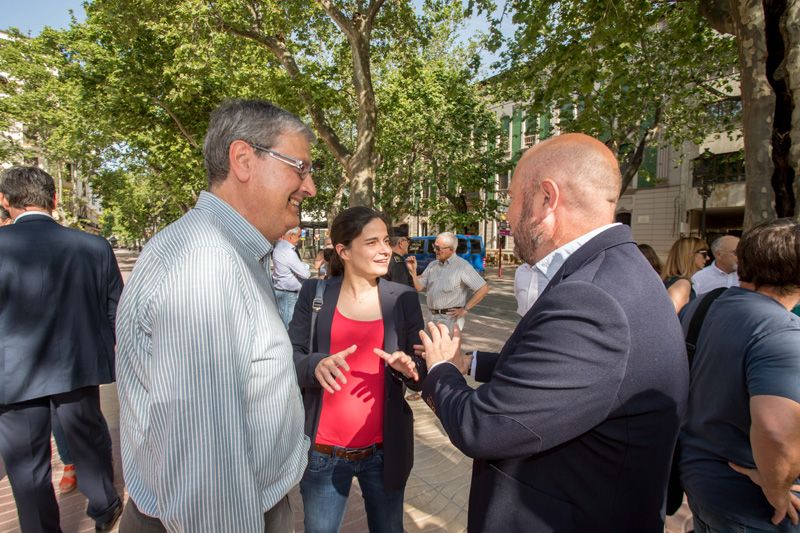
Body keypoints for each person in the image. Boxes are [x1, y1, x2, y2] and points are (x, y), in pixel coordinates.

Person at [416, 133, 689, 532]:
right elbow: (564, 378)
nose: (508, 217)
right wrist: (470, 361)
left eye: (510, 200)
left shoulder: (591, 298)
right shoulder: (617, 271)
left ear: (547, 198)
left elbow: (483, 426)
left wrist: (441, 371)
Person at [116, 99, 314, 532]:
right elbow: (207, 478)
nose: (310, 187)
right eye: (300, 168)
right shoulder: (205, 265)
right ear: (243, 159)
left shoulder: (229, 255)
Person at [0, 166, 123, 532]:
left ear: (5, 202)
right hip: (79, 367)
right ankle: (104, 506)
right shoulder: (93, 246)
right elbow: (116, 312)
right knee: (88, 439)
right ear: (54, 200)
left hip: (13, 375)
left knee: (27, 465)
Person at [288, 206, 426, 533]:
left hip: (384, 451)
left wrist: (411, 368)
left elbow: (422, 370)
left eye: (387, 241)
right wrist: (314, 364)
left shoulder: (403, 299)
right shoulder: (315, 293)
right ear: (343, 251)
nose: (385, 250)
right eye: (372, 242)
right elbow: (290, 355)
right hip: (322, 452)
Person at [679, 219, 800, 533]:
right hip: (752, 503)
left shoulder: (705, 305)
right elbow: (776, 431)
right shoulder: (779, 331)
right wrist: (777, 488)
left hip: (702, 480)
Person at [407, 231, 489, 332]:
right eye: (434, 246)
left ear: (451, 250)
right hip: (431, 317)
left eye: (438, 248)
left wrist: (465, 309)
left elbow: (483, 289)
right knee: (429, 347)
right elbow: (419, 287)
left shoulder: (462, 266)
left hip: (449, 320)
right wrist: (413, 271)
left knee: (445, 348)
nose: (434, 251)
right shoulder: (433, 265)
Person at [273, 226, 312, 327]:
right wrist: (305, 266)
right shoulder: (287, 251)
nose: (299, 239)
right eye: (298, 236)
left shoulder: (281, 247)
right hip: (288, 294)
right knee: (289, 325)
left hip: (284, 291)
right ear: (291, 236)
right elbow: (305, 274)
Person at [662, 236, 709, 313]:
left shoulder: (673, 280)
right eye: (704, 254)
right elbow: (670, 318)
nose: (707, 258)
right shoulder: (682, 284)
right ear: (690, 255)